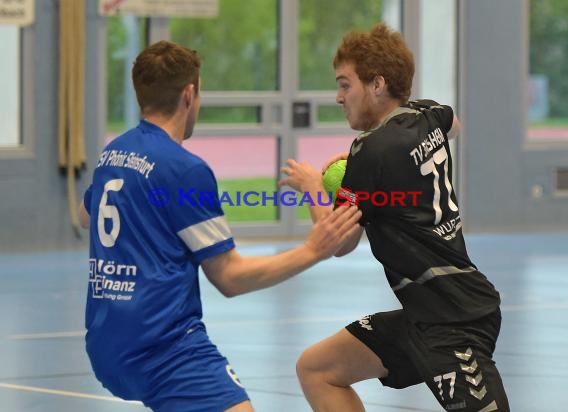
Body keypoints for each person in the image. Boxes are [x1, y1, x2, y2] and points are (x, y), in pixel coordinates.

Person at [78, 40, 362, 412]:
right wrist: (313, 249)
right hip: (165, 348)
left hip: (105, 345)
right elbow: (230, 277)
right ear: (189, 94)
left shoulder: (113, 152)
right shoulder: (184, 169)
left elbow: (85, 217)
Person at [280, 23, 510, 412]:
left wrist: (313, 188)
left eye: (345, 85)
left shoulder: (372, 152)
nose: (338, 97)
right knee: (318, 369)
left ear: (377, 84)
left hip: (453, 320)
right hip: (422, 314)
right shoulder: (425, 114)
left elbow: (338, 242)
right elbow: (454, 126)